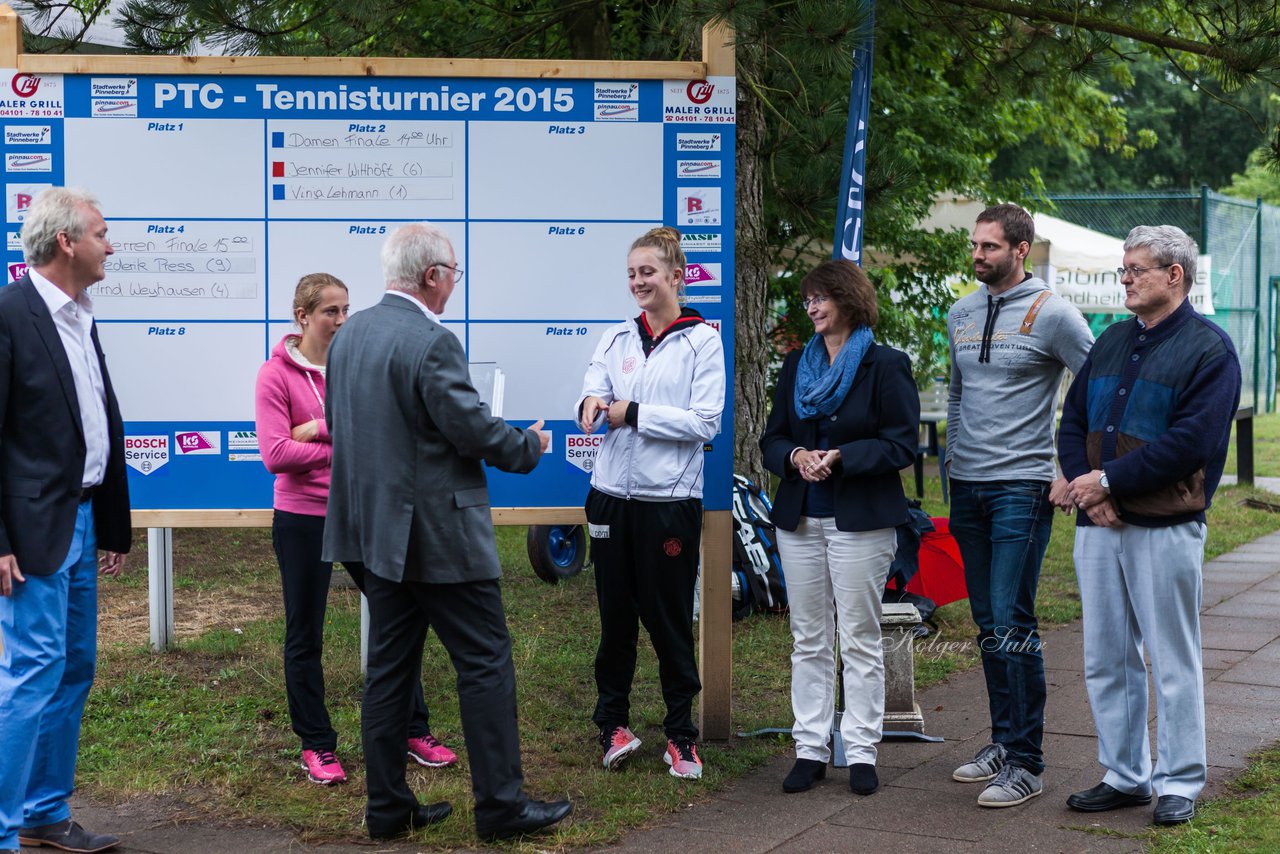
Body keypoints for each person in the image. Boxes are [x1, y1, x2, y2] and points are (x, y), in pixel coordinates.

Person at [322, 223, 570, 843]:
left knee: (389, 674)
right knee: (485, 662)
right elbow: (474, 433)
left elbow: (342, 423)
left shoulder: (348, 335)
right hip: (437, 536)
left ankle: (386, 809)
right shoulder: (433, 342)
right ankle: (501, 809)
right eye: (454, 273)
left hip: (375, 535)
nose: (455, 284)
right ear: (433, 276)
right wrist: (528, 445)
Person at [1058, 226, 1241, 827]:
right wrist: (1091, 489)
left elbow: (1194, 441)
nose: (1126, 280)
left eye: (1137, 270)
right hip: (1100, 525)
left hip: (1165, 526)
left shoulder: (1210, 350)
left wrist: (1107, 483)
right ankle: (1126, 774)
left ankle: (1180, 781)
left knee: (1171, 655)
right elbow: (1072, 422)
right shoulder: (1110, 340)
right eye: (1124, 270)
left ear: (1174, 276)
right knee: (1106, 655)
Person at [255, 273, 457, 786]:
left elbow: (379, 428)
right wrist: (344, 441)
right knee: (306, 633)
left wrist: (321, 429)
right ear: (302, 317)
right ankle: (317, 745)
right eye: (331, 312)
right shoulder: (274, 374)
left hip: (358, 509)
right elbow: (277, 454)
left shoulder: (354, 361)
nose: (343, 320)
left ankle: (413, 730)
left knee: (398, 617)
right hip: (301, 516)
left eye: (346, 309)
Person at [945, 203, 1094, 807]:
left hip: (1023, 487)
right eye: (975, 246)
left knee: (1013, 621)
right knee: (987, 623)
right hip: (968, 486)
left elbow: (1096, 390)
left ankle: (1029, 762)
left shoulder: (1054, 314)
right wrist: (954, 459)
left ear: (1020, 249)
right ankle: (1003, 744)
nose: (977, 256)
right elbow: (957, 396)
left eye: (989, 247)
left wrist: (1072, 472)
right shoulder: (960, 310)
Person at [0, 188, 131, 854]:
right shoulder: (9, 313)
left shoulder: (82, 314)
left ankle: (43, 814)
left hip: (80, 522)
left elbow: (96, 423)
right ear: (67, 243)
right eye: (104, 233)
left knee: (74, 667)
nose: (114, 245)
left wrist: (111, 525)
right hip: (30, 532)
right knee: (33, 670)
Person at [760, 260, 919, 797]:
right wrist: (798, 455)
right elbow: (772, 441)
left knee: (859, 637)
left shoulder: (886, 365)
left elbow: (902, 445)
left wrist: (842, 456)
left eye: (821, 298)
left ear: (849, 300)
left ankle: (862, 750)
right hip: (800, 518)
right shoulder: (793, 366)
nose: (812, 308)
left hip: (861, 520)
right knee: (808, 639)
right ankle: (810, 748)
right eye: (807, 301)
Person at [576, 226, 725, 780]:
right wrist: (590, 403)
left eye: (648, 272)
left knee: (667, 621)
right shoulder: (616, 338)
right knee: (615, 620)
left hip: (669, 502)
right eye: (632, 273)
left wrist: (631, 412)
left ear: (676, 277)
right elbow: (590, 393)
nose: (638, 282)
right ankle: (612, 724)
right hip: (611, 499)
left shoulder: (702, 341)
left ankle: (681, 735)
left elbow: (705, 422)